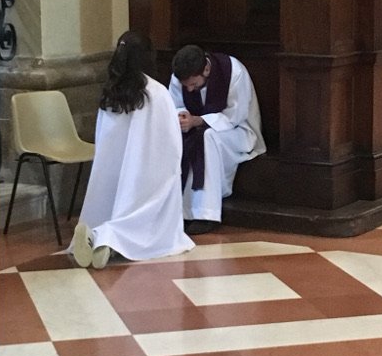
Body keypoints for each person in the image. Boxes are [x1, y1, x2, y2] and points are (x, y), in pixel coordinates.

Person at [70, 30, 193, 269]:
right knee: (145, 210)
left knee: (115, 205)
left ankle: (95, 234)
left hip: (111, 172)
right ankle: (108, 237)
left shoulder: (110, 91)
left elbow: (103, 136)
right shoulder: (156, 92)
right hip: (145, 172)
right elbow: (169, 140)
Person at [169, 44, 265, 235]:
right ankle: (182, 211)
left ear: (206, 69)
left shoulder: (233, 72)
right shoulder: (180, 77)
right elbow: (175, 103)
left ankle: (206, 213)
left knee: (208, 136)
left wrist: (198, 121)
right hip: (198, 129)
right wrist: (181, 116)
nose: (189, 89)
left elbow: (234, 116)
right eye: (186, 85)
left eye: (193, 84)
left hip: (238, 131)